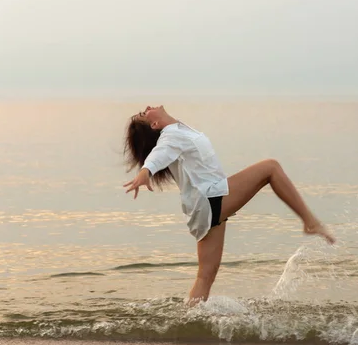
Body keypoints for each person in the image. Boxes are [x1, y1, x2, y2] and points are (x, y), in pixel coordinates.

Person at [122, 105, 336, 306]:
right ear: (154, 125)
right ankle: (309, 221)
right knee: (271, 167)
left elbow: (165, 148)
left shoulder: (178, 130)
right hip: (211, 198)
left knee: (205, 276)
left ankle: (191, 325)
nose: (149, 107)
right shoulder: (171, 136)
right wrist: (145, 171)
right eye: (144, 112)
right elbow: (160, 154)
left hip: (203, 206)